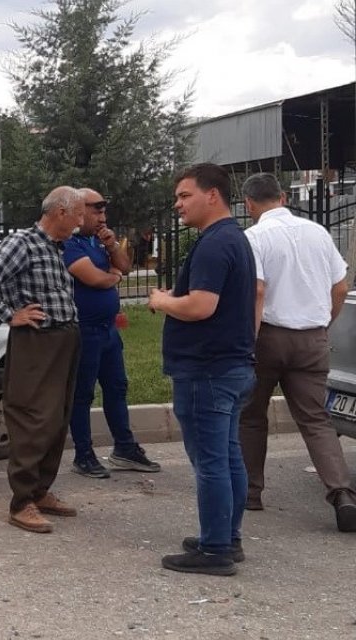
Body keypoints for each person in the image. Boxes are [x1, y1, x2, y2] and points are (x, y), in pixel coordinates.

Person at [148, 163, 256, 576]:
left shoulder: (214, 243)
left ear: (212, 195)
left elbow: (200, 305)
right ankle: (228, 538)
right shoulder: (234, 237)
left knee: (211, 462)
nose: (178, 204)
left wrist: (161, 301)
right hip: (231, 365)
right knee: (228, 456)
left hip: (208, 369)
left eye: (184, 195)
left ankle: (214, 551)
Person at [238, 172, 356, 531]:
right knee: (315, 420)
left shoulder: (253, 237)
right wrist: (324, 323)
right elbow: (340, 286)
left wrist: (249, 339)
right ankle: (342, 494)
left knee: (252, 416)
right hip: (312, 338)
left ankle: (251, 492)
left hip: (268, 337)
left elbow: (257, 292)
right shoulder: (317, 232)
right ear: (284, 198)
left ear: (248, 204)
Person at [0, 186, 84, 534]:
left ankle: (41, 490)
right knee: (35, 417)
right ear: (60, 212)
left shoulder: (53, 247)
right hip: (37, 342)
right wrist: (9, 315)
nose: (81, 222)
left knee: (58, 415)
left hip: (63, 338)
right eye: (78, 214)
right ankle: (22, 502)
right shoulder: (23, 242)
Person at [63, 188, 161, 478]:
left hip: (107, 332)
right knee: (82, 395)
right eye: (96, 210)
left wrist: (112, 246)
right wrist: (113, 277)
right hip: (84, 332)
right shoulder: (70, 243)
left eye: (103, 211)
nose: (102, 217)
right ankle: (83, 455)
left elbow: (125, 267)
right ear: (79, 211)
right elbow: (94, 279)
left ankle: (125, 448)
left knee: (117, 388)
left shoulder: (98, 240)